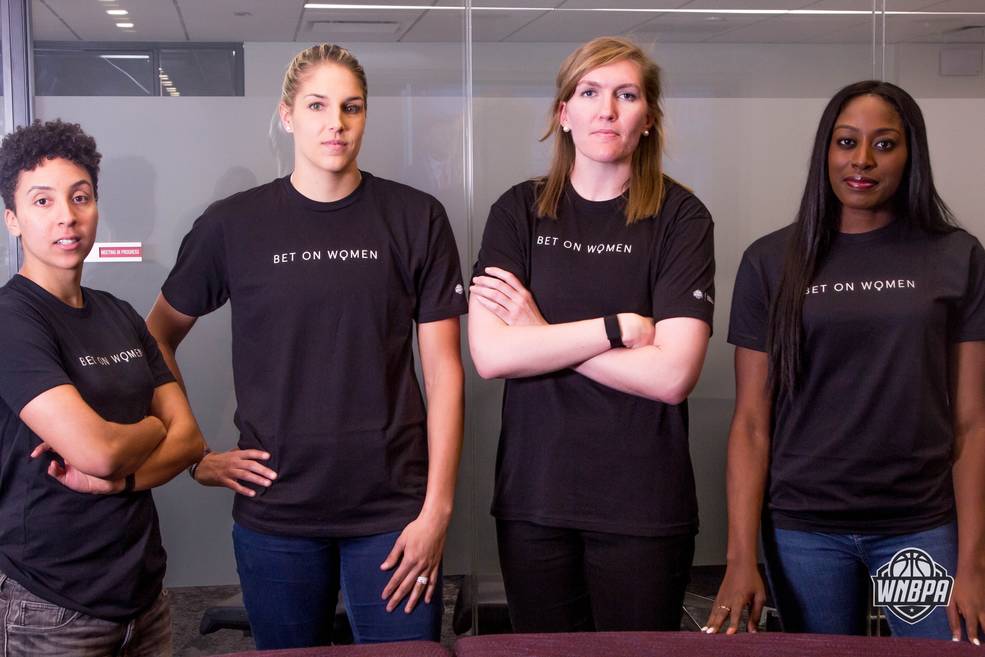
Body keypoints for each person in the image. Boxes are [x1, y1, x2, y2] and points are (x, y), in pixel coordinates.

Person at [146, 44, 467, 649]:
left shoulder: (415, 217)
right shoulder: (233, 224)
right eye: (317, 105)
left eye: (352, 107)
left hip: (393, 512)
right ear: (288, 115)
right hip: (277, 513)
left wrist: (436, 512)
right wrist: (194, 453)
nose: (336, 123)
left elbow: (445, 374)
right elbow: (155, 338)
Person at [705, 80, 985, 643]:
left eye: (884, 144)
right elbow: (753, 424)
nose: (861, 160)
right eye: (845, 142)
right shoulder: (770, 261)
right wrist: (739, 558)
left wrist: (974, 563)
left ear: (911, 155)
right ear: (825, 152)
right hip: (805, 531)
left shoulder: (956, 256)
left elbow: (972, 421)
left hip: (917, 527)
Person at [468, 36, 715, 633]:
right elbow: (492, 354)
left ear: (647, 118)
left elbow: (672, 376)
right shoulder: (518, 212)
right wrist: (615, 330)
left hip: (643, 505)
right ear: (564, 113)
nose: (607, 110)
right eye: (589, 92)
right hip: (535, 498)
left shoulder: (682, 218)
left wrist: (544, 334)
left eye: (626, 95)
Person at [0, 119, 205, 655]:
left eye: (80, 196)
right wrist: (154, 425)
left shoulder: (119, 314)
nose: (66, 215)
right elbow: (97, 450)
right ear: (12, 220)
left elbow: (191, 443)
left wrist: (118, 477)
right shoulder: (11, 321)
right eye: (41, 202)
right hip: (50, 604)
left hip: (143, 594)